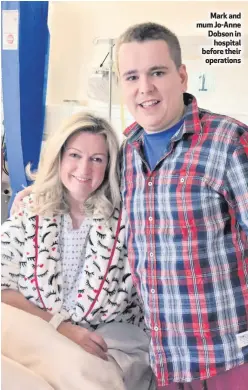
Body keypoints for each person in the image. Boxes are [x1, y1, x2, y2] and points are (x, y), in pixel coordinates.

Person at [10, 22, 248, 390]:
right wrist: (38, 192)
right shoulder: (129, 153)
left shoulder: (228, 142)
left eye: (157, 72)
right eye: (132, 76)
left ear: (182, 75)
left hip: (227, 353)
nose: (145, 87)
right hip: (166, 358)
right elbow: (81, 182)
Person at [1, 112, 154, 390]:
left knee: (84, 373)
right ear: (59, 157)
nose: (84, 169)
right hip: (38, 332)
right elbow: (2, 288)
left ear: (109, 166)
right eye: (74, 155)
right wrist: (60, 326)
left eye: (97, 159)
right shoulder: (30, 211)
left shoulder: (129, 222)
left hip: (104, 342)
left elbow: (145, 300)